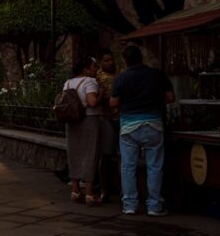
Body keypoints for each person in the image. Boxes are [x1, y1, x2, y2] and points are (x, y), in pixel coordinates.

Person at [110, 45, 175, 216]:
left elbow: (113, 103)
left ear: (125, 60)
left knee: (127, 167)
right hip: (154, 124)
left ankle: (130, 204)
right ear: (142, 57)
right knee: (154, 166)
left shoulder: (121, 78)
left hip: (129, 127)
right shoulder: (157, 74)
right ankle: (154, 205)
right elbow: (170, 98)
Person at [64, 57, 102, 206]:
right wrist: (101, 95)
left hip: (72, 121)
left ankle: (75, 191)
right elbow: (92, 102)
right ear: (85, 69)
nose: (96, 69)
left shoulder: (67, 82)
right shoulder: (89, 81)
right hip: (89, 120)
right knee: (90, 154)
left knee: (74, 153)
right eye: (94, 67)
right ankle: (89, 193)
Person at [96, 48, 120, 202]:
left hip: (121, 117)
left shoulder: (120, 74)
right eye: (106, 60)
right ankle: (105, 190)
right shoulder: (98, 77)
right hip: (106, 117)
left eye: (111, 59)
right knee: (105, 155)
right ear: (101, 62)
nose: (110, 63)